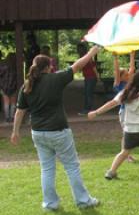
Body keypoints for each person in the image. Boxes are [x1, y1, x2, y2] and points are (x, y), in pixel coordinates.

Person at [10, 46, 101, 211]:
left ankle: (50, 204)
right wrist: (91, 53)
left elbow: (19, 112)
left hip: (37, 133)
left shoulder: (27, 86)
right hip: (58, 131)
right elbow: (77, 66)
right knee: (71, 166)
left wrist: (15, 132)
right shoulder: (55, 79)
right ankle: (83, 201)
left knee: (47, 168)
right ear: (48, 67)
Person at [113, 51, 136, 162]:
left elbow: (132, 69)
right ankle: (125, 155)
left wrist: (132, 55)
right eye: (125, 74)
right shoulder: (118, 84)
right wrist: (115, 58)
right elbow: (117, 72)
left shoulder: (129, 82)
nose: (128, 75)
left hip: (131, 112)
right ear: (120, 77)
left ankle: (127, 154)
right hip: (124, 113)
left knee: (130, 134)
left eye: (128, 74)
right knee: (126, 134)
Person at [77, 44, 100, 116]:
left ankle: (87, 110)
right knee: (87, 93)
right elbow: (80, 69)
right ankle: (87, 109)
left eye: (79, 49)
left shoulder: (88, 57)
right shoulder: (82, 57)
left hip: (91, 77)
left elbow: (93, 67)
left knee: (88, 93)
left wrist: (97, 77)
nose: (78, 50)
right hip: (87, 77)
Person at [0, 53, 18, 123]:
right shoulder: (16, 66)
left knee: (6, 102)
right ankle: (12, 117)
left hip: (4, 86)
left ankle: (7, 118)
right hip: (14, 86)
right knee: (13, 102)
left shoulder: (2, 65)